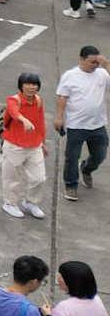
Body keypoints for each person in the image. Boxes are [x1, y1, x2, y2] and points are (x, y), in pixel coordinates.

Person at [55, 45, 110, 200]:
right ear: (82, 59)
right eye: (92, 62)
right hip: (76, 125)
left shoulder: (102, 74)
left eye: (97, 62)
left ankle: (86, 169)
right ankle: (71, 185)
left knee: (100, 154)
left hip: (98, 125)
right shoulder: (70, 75)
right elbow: (62, 97)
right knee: (72, 156)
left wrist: (107, 65)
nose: (95, 65)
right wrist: (59, 117)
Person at [0, 71, 49, 219]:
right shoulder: (13, 100)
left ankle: (31, 202)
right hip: (14, 145)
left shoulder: (38, 101)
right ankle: (10, 203)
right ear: (21, 85)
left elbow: (40, 122)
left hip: (34, 145)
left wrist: (43, 142)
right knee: (12, 178)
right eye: (27, 84)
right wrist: (23, 120)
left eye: (34, 84)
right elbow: (13, 112)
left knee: (39, 178)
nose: (31, 87)